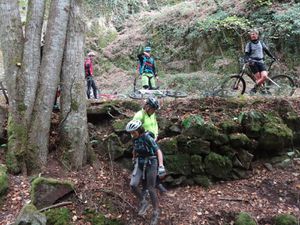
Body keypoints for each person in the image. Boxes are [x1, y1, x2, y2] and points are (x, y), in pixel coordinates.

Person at [126, 120, 166, 225]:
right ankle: (143, 201)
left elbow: (158, 151)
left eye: (134, 132)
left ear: (139, 130)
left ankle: (156, 212)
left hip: (151, 162)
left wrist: (161, 165)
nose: (132, 134)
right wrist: (134, 158)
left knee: (150, 188)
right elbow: (135, 149)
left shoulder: (147, 138)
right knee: (133, 184)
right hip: (140, 162)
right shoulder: (134, 139)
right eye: (131, 132)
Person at [244, 29, 276, 94]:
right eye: (252, 34)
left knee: (264, 76)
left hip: (261, 62)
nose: (253, 35)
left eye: (254, 34)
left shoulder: (261, 43)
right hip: (253, 63)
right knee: (259, 79)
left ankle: (254, 89)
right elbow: (246, 54)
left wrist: (272, 56)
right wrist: (247, 60)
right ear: (250, 36)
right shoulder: (249, 44)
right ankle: (263, 92)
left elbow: (266, 50)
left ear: (257, 35)